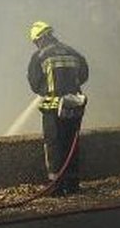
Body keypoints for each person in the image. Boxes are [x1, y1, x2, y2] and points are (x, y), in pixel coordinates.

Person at [27, 21, 89, 196]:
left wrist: (48, 89)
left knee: (54, 147)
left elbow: (35, 83)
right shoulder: (73, 52)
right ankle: (73, 185)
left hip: (52, 111)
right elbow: (84, 75)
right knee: (72, 145)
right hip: (74, 108)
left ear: (39, 38)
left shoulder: (39, 56)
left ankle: (56, 187)